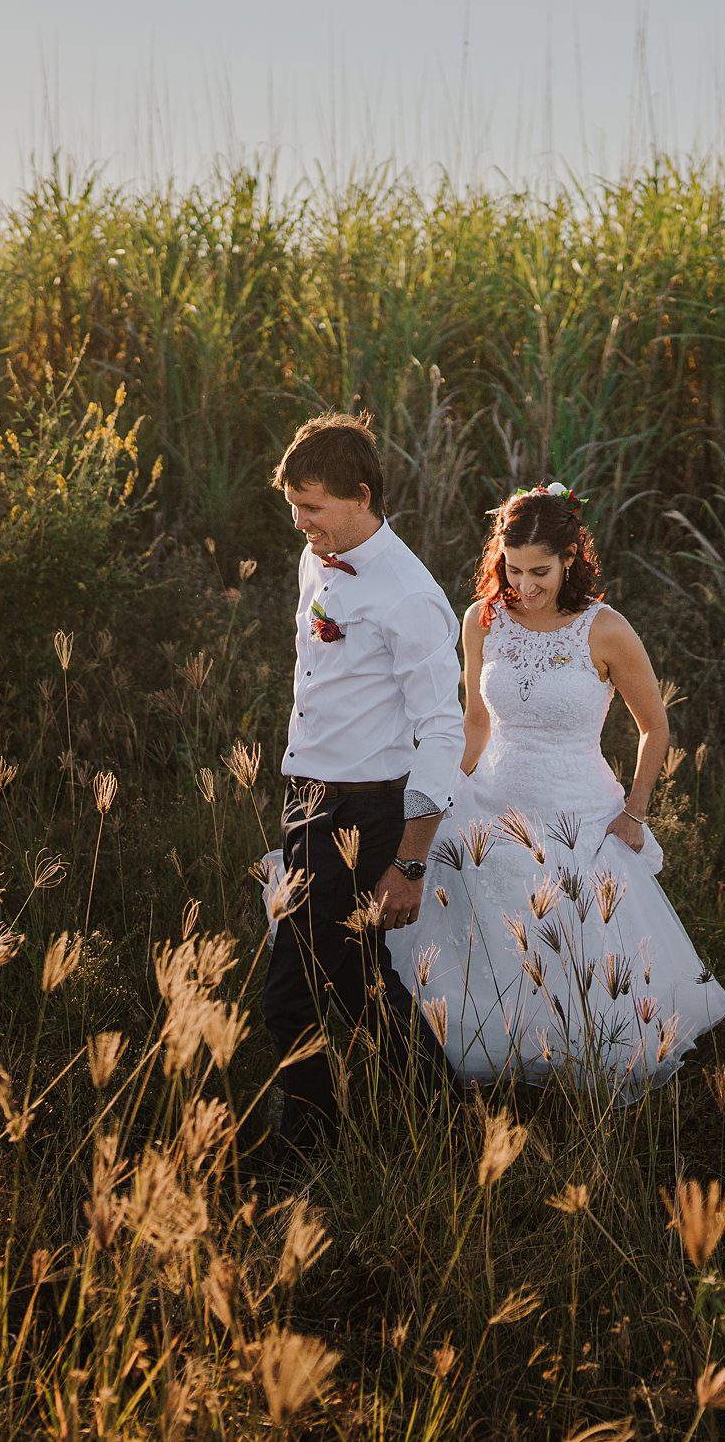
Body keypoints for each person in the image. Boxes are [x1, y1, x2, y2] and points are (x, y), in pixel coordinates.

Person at [385, 482, 725, 1102]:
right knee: (489, 940)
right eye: (512, 569)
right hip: (492, 797)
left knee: (581, 949)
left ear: (570, 559)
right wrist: (444, 795)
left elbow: (656, 726)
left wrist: (635, 812)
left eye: (540, 571)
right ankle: (496, 1060)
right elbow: (476, 723)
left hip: (578, 811)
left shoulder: (606, 631)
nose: (525, 585)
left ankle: (578, 1071)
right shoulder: (483, 619)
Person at [252, 413, 465, 1163]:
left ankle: (303, 1145)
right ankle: (450, 1127)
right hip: (307, 799)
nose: (300, 524)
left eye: (312, 508)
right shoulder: (321, 557)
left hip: (364, 811)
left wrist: (409, 863)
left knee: (293, 990)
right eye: (293, 509)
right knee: (359, 986)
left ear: (362, 496)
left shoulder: (410, 595)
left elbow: (443, 731)